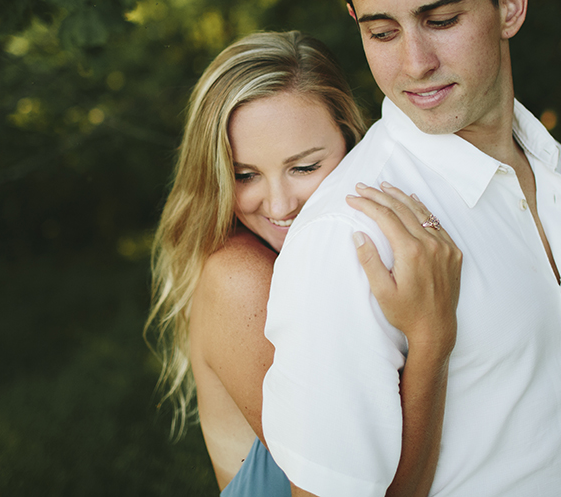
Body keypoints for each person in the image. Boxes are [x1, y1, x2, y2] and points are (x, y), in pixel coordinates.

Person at [262, 0, 561, 496]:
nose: (415, 62)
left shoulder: (552, 166)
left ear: (509, 4)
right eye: (382, 32)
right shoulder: (350, 237)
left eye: (441, 19)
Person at [146, 31, 465, 496]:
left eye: (303, 167)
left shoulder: (336, 252)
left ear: (350, 139)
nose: (279, 205)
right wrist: (431, 339)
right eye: (245, 175)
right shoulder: (240, 278)